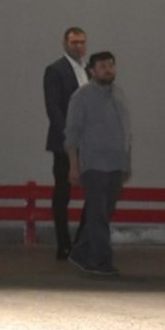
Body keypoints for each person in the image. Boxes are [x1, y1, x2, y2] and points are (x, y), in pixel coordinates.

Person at [63, 51, 131, 276]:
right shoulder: (81, 96)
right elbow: (72, 134)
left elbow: (125, 131)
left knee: (103, 212)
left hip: (116, 163)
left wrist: (126, 163)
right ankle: (101, 261)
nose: (108, 69)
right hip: (93, 165)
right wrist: (74, 166)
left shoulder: (118, 94)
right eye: (102, 66)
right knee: (97, 213)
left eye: (111, 65)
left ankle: (80, 253)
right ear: (92, 71)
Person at [43, 26, 89, 260]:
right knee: (63, 192)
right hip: (64, 142)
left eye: (82, 42)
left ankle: (81, 241)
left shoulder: (88, 70)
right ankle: (63, 244)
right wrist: (69, 139)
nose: (78, 46)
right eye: (74, 42)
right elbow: (54, 109)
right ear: (65, 44)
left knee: (95, 192)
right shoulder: (55, 70)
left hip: (89, 143)